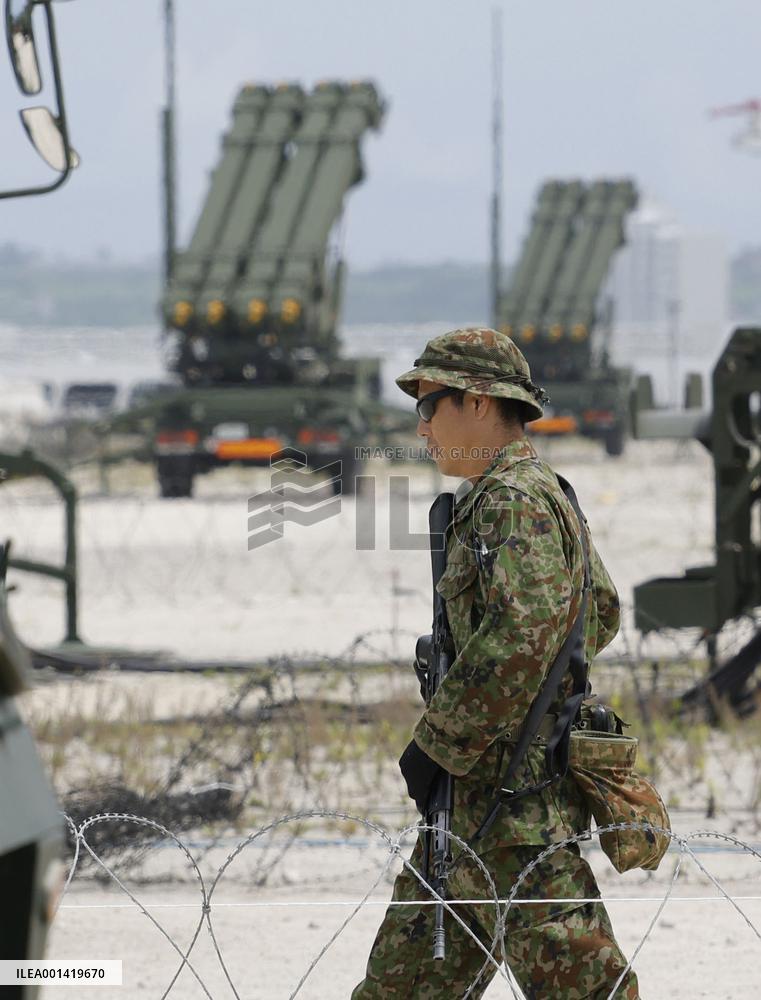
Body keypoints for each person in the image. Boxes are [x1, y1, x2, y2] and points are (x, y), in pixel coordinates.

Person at [352, 328, 638, 999]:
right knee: (405, 985)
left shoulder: (511, 498)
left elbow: (527, 631)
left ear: (477, 402)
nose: (421, 429)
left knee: (582, 988)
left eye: (428, 407)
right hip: (480, 798)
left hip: (509, 805)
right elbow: (596, 615)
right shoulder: (530, 491)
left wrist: (441, 740)